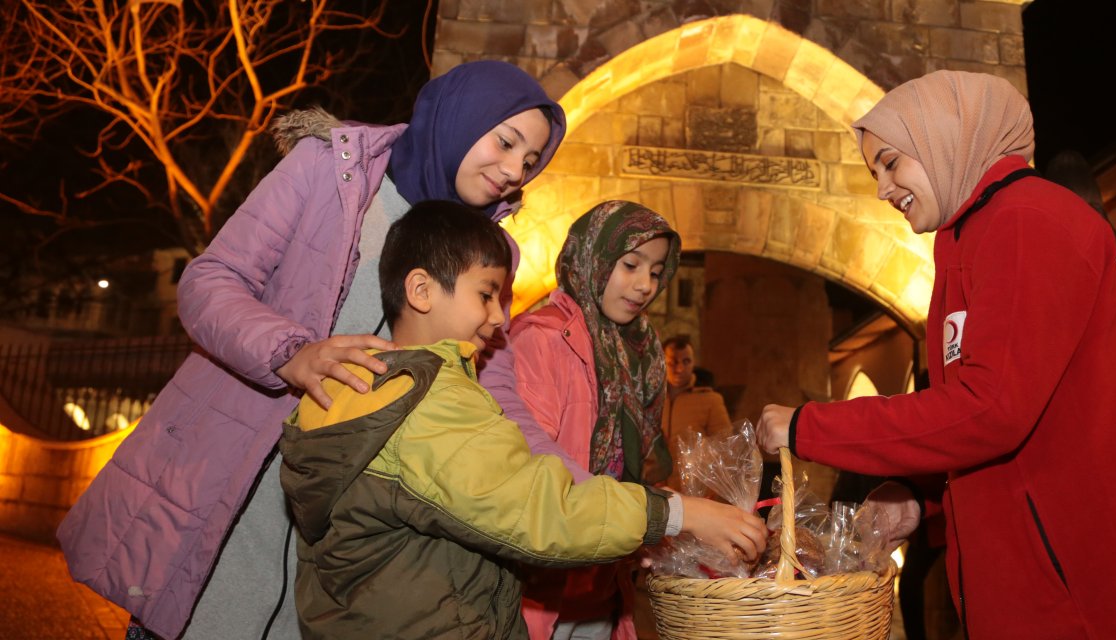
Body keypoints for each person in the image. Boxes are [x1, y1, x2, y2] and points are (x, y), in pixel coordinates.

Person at [57, 60, 567, 640]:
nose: (512, 170)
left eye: (529, 161)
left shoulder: (490, 250)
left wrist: (577, 493)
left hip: (350, 528)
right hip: (241, 473)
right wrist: (292, 353)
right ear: (460, 115)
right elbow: (210, 282)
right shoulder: (330, 170)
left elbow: (496, 388)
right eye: (505, 141)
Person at [756, 70, 1116, 639]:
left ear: (945, 138)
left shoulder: (1027, 220)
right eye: (874, 171)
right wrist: (919, 496)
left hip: (1103, 593)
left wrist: (811, 428)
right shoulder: (972, 233)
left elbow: (993, 407)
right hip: (1053, 584)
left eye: (891, 162)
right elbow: (997, 414)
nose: (882, 189)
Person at [277, 201, 766, 639]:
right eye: (487, 295)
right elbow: (538, 506)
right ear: (422, 291)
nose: (500, 318)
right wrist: (676, 514)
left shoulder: (354, 387)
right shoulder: (428, 401)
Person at [487, 200, 691, 640]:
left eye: (656, 272)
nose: (644, 286)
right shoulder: (541, 339)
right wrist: (664, 515)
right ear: (592, 258)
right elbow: (531, 478)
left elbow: (630, 472)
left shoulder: (640, 353)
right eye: (630, 264)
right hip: (544, 589)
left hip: (605, 583)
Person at [660, 334, 732, 489]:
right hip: (655, 488)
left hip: (694, 490)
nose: (680, 369)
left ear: (693, 363)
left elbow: (725, 449)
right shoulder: (651, 398)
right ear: (662, 362)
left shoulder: (710, 399)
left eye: (686, 361)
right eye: (673, 362)